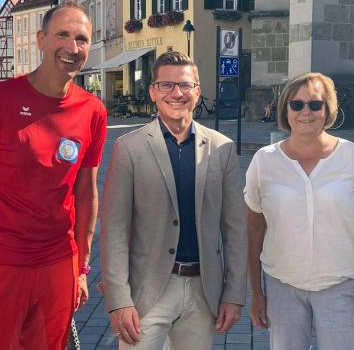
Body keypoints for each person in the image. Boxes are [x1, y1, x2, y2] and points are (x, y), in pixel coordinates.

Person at [0, 1, 107, 350]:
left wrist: (82, 268)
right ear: (41, 39)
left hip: (58, 265)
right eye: (62, 35)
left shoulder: (93, 111)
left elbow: (86, 194)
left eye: (81, 39)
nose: (72, 48)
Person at [100, 51, 247, 350]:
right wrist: (118, 300)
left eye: (184, 85)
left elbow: (235, 229)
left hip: (203, 290)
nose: (176, 93)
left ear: (197, 91)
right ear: (153, 91)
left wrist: (233, 295)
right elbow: (114, 229)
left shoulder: (222, 148)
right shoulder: (130, 148)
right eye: (166, 85)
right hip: (147, 290)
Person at [244, 73, 354, 349]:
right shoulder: (264, 161)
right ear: (286, 109)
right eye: (297, 105)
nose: (305, 111)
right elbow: (254, 229)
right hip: (283, 285)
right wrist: (257, 292)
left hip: (340, 286)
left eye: (315, 105)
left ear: (327, 109)